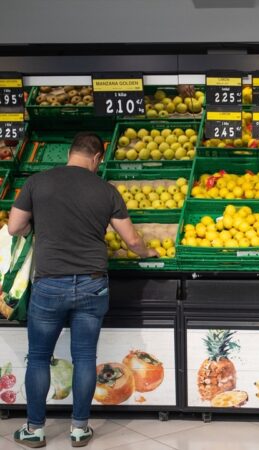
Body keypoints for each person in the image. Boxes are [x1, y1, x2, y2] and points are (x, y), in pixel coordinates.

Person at [7, 132, 157, 448]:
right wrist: (149, 253)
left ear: (70, 153)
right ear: (97, 158)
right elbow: (132, 240)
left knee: (38, 357)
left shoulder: (37, 182)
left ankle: (34, 429)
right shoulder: (106, 190)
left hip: (50, 282)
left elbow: (14, 227)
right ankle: (79, 429)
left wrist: (38, 227)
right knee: (85, 356)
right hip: (92, 282)